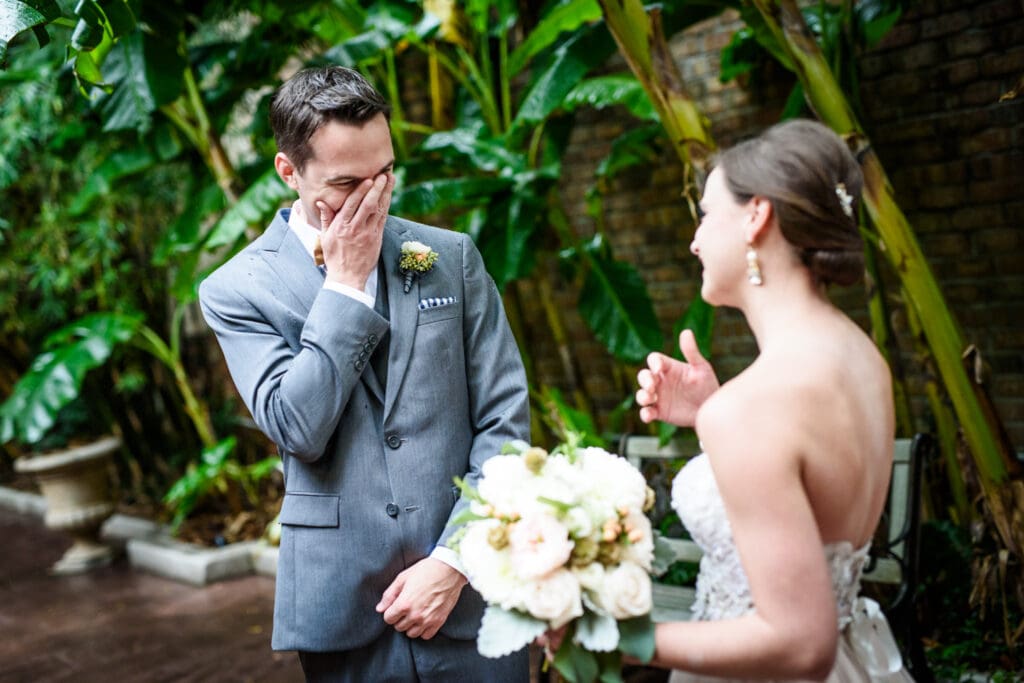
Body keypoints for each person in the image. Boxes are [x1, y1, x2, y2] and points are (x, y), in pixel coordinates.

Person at [198, 66, 530, 682]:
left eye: (385, 177)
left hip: (473, 594)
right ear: (288, 172)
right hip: (343, 605)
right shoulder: (236, 289)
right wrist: (346, 285)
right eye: (347, 184)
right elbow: (297, 427)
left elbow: (504, 423)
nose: (373, 200)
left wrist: (456, 561)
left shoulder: (450, 258)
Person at [635, 119, 914, 682]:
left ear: (756, 215)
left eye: (707, 214)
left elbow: (796, 644)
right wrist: (711, 410)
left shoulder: (753, 409)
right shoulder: (863, 359)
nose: (694, 240)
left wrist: (618, 636)